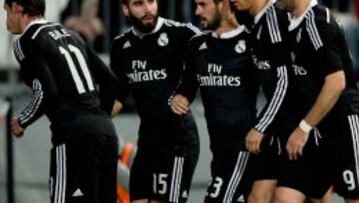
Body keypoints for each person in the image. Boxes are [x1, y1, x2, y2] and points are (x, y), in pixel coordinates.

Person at [4, 0, 119, 202]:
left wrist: (22, 120)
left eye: (6, 11)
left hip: (73, 138)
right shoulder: (72, 35)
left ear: (16, 8)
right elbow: (110, 81)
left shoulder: (26, 41)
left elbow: (47, 91)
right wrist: (100, 118)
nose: (6, 20)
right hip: (106, 134)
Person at [111, 0, 200, 203]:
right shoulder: (120, 45)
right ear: (126, 9)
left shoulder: (182, 33)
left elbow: (208, 60)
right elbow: (119, 95)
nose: (148, 9)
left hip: (178, 140)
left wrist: (185, 93)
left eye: (151, 1)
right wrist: (95, 121)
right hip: (148, 141)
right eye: (139, 4)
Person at [170, 0, 258, 202]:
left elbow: (276, 87)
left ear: (224, 5)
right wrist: (180, 97)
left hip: (245, 146)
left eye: (203, 4)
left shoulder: (251, 42)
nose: (197, 11)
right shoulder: (196, 45)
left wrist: (261, 128)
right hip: (218, 150)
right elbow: (188, 84)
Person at [273, 0, 359, 202]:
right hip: (317, 127)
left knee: (353, 196)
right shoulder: (290, 22)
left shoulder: (317, 22)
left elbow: (336, 82)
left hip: (342, 124)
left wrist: (303, 128)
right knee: (287, 197)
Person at [228, 0, 301, 202]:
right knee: (257, 199)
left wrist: (261, 126)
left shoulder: (275, 19)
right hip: (278, 124)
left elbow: (285, 81)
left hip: (298, 125)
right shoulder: (255, 21)